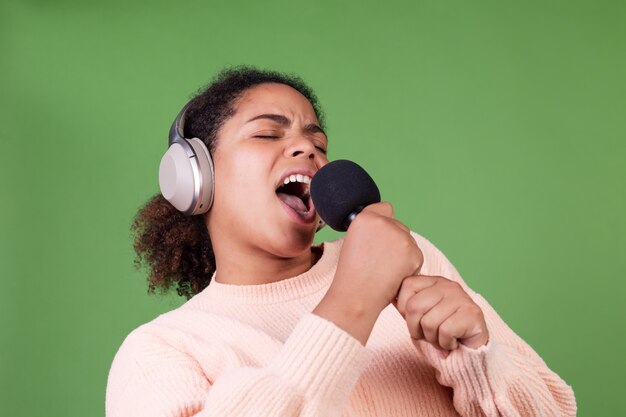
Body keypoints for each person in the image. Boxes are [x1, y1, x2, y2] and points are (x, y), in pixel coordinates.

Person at [105, 66, 577, 416]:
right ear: (195, 179)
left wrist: (474, 357)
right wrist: (353, 300)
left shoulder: (412, 259)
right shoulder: (162, 349)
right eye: (268, 133)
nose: (307, 150)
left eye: (319, 143)